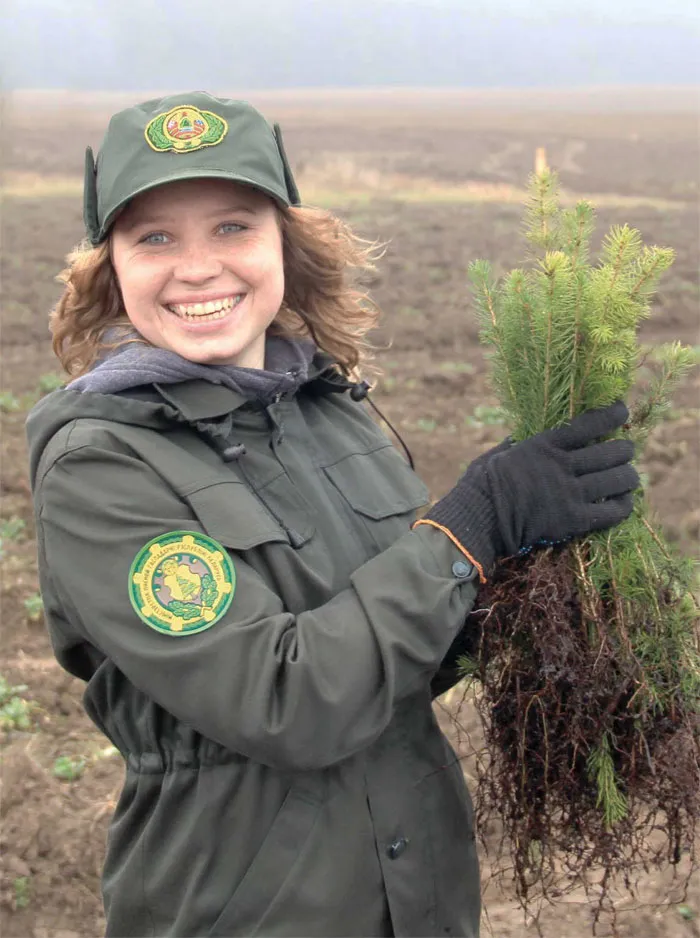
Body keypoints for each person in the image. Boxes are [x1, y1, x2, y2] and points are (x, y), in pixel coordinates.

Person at [26, 92, 638, 938]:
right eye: (154, 237)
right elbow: (290, 699)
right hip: (247, 910)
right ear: (112, 268)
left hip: (419, 897)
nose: (198, 266)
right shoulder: (100, 465)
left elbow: (395, 661)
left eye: (234, 226)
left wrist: (538, 594)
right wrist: (472, 528)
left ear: (285, 243)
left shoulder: (329, 408)